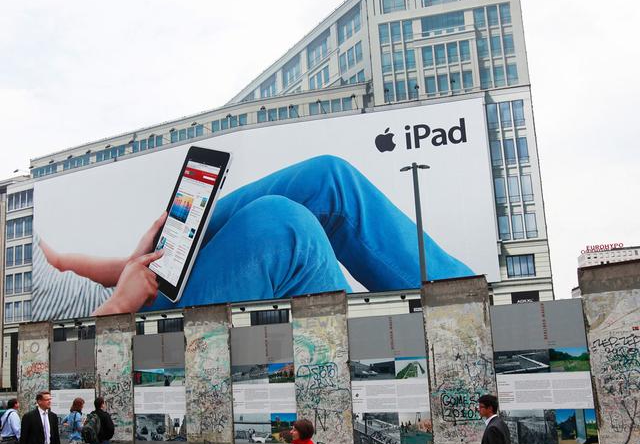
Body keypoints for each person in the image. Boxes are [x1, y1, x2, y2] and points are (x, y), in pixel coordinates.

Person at [33, 156, 473, 321]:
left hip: (134, 293)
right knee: (284, 224)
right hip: (124, 325)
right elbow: (59, 360)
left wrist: (132, 262)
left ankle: (463, 305)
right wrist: (120, 305)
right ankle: (458, 324)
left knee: (327, 178)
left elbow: (71, 274)